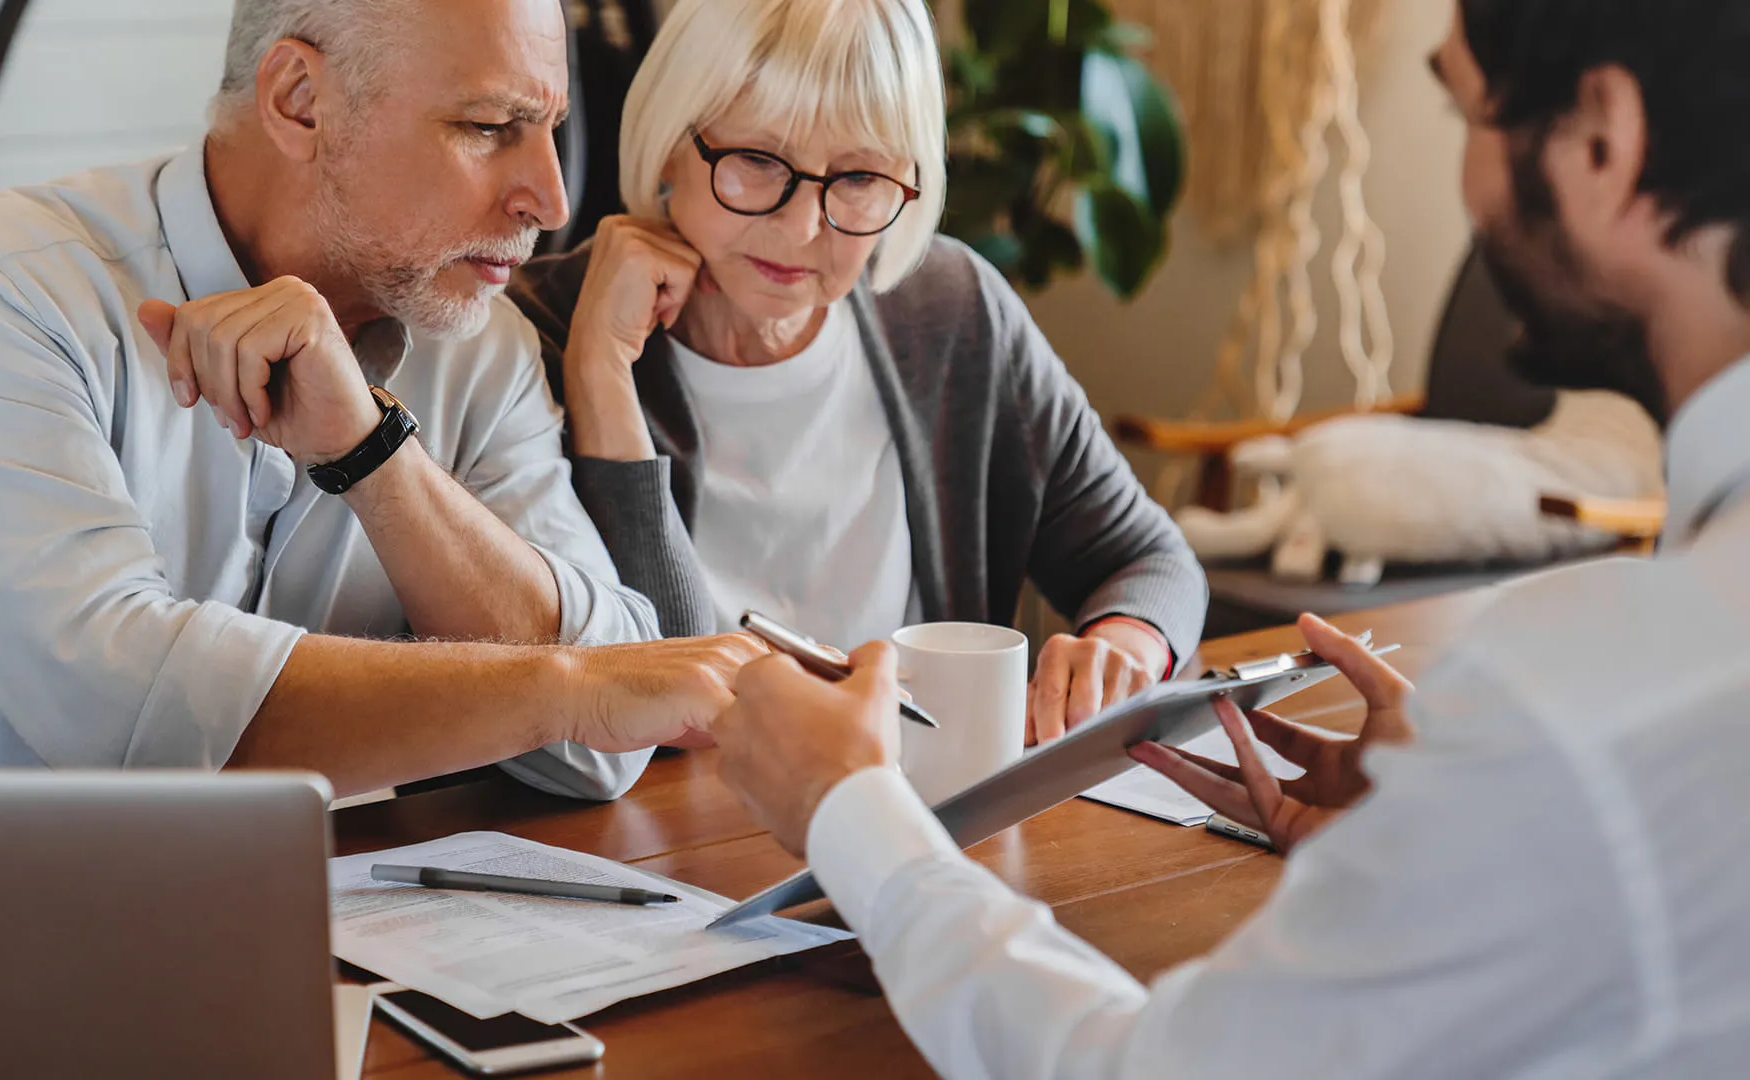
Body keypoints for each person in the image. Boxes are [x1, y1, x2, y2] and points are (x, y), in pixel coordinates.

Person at [708, 1, 1750, 1075]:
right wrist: (1444, 843)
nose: (1468, 186)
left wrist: (852, 817)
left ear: (1602, 141)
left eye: (1464, 114)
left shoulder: (1587, 702)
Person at [0, 0, 766, 800]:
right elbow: (123, 718)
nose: (552, 199)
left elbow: (602, 758)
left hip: (311, 945)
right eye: (488, 127)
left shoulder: (481, 344)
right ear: (300, 101)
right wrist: (567, 689)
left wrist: (373, 453)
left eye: (550, 129)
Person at [510, 0, 1207, 748]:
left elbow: (1148, 559)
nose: (804, 229)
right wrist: (600, 375)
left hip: (907, 822)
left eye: (859, 178)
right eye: (756, 161)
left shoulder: (949, 311)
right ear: (667, 141)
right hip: (651, 842)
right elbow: (644, 690)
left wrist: (1124, 649)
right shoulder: (535, 331)